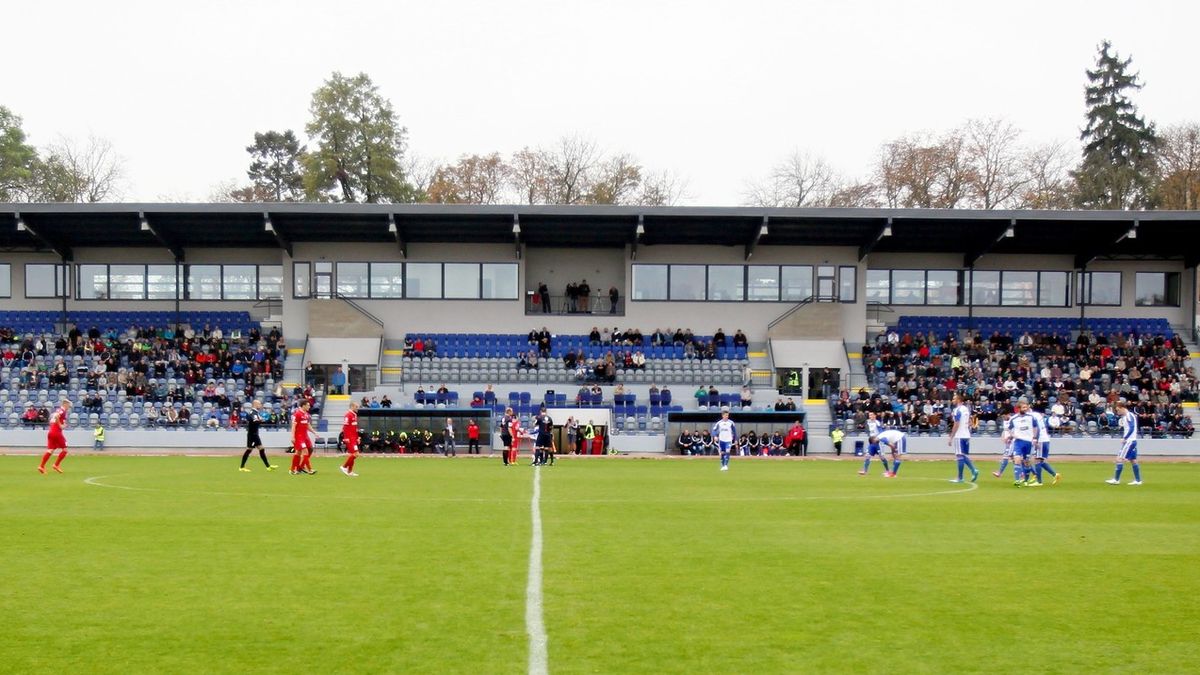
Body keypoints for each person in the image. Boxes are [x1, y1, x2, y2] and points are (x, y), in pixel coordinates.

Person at [1107, 401, 1144, 485]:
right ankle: (1138, 480)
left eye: (1118, 410)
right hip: (1132, 441)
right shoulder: (1126, 416)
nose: (1117, 412)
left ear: (1122, 408)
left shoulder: (1128, 415)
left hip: (1129, 441)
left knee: (1119, 459)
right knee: (1133, 460)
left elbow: (1132, 427)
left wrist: (1125, 438)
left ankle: (1116, 480)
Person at [947, 393, 980, 483]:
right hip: (966, 435)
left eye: (954, 399)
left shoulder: (957, 410)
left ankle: (960, 477)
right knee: (963, 455)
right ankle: (973, 470)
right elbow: (970, 422)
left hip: (960, 435)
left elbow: (956, 424)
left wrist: (951, 437)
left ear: (958, 400)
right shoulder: (966, 409)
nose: (953, 400)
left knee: (959, 456)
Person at [1006, 399, 1039, 486]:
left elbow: (1035, 427)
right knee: (1017, 459)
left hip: (1028, 442)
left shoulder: (1031, 417)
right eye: (1023, 407)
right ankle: (1017, 480)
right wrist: (1013, 435)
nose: (1025, 409)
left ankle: (1026, 480)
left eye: (1026, 407)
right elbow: (1008, 428)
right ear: (1019, 408)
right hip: (1018, 441)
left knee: (1026, 462)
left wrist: (1035, 438)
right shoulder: (1014, 418)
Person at [240, 400, 277, 472]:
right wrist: (262, 420)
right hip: (252, 435)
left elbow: (257, 420)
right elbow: (255, 421)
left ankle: (268, 466)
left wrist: (261, 420)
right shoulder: (253, 412)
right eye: (259, 404)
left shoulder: (256, 412)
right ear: (255, 404)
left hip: (255, 434)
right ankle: (242, 467)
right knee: (250, 449)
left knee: (261, 449)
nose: (260, 405)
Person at [38, 400, 72, 474]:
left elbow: (52, 420)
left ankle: (41, 466)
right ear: (65, 404)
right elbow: (57, 417)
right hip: (56, 432)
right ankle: (56, 465)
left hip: (51, 432)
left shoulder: (57, 410)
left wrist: (62, 424)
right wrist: (60, 425)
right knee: (65, 450)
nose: (69, 407)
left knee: (50, 450)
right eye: (68, 405)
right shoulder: (62, 411)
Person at [1029, 405, 1060, 486]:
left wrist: (1035, 439)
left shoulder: (1032, 416)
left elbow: (1037, 428)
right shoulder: (1037, 415)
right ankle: (1055, 474)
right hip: (1045, 439)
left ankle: (1039, 482)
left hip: (1041, 440)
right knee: (1041, 461)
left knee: (1037, 460)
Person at [289, 400, 316, 475]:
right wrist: (292, 437)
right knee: (305, 452)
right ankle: (309, 469)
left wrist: (314, 432)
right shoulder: (297, 414)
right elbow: (293, 426)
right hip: (299, 437)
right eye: (308, 405)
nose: (309, 407)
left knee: (306, 450)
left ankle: (294, 469)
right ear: (303, 406)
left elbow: (308, 425)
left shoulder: (307, 414)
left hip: (305, 436)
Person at [340, 402, 361, 476]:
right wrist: (346, 438)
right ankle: (344, 467)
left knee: (353, 454)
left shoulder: (354, 415)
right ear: (352, 406)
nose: (357, 408)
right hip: (350, 438)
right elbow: (345, 427)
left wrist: (357, 437)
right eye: (356, 406)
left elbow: (355, 428)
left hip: (354, 438)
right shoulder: (348, 415)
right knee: (356, 454)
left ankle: (350, 471)